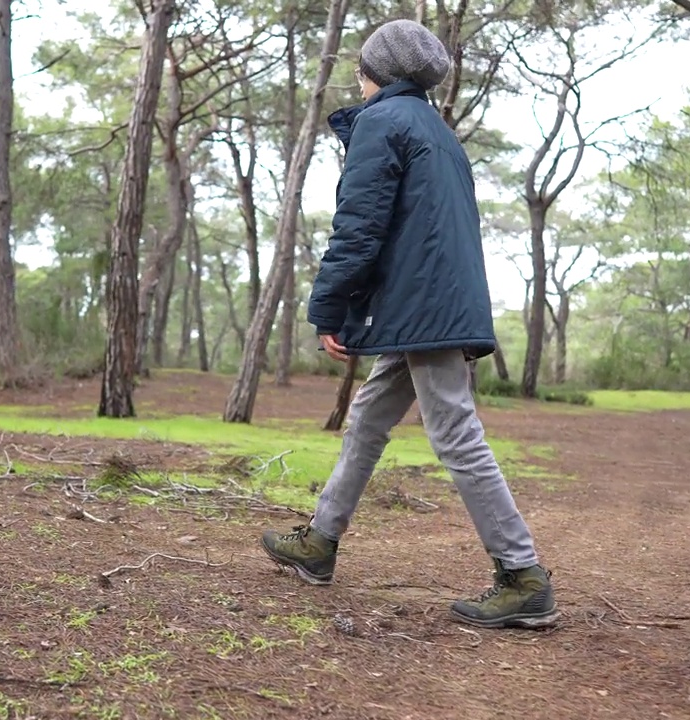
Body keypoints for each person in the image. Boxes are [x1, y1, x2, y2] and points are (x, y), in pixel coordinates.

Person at [259, 19, 558, 630]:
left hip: (427, 307)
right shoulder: (435, 129)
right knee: (369, 416)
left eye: (361, 67)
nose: (356, 76)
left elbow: (360, 225)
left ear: (377, 71)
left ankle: (523, 575)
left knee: (454, 432)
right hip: (425, 304)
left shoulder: (382, 122)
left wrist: (329, 306)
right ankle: (319, 541)